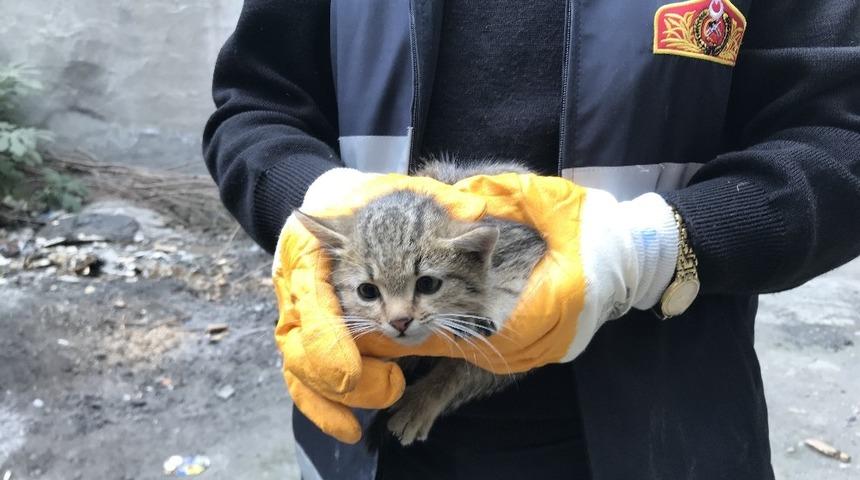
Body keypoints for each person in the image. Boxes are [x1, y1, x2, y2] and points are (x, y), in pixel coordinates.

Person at [203, 1, 860, 478]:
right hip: (367, 433)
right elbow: (256, 106)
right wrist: (309, 200)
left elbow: (840, 140)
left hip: (665, 431)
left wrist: (659, 246)